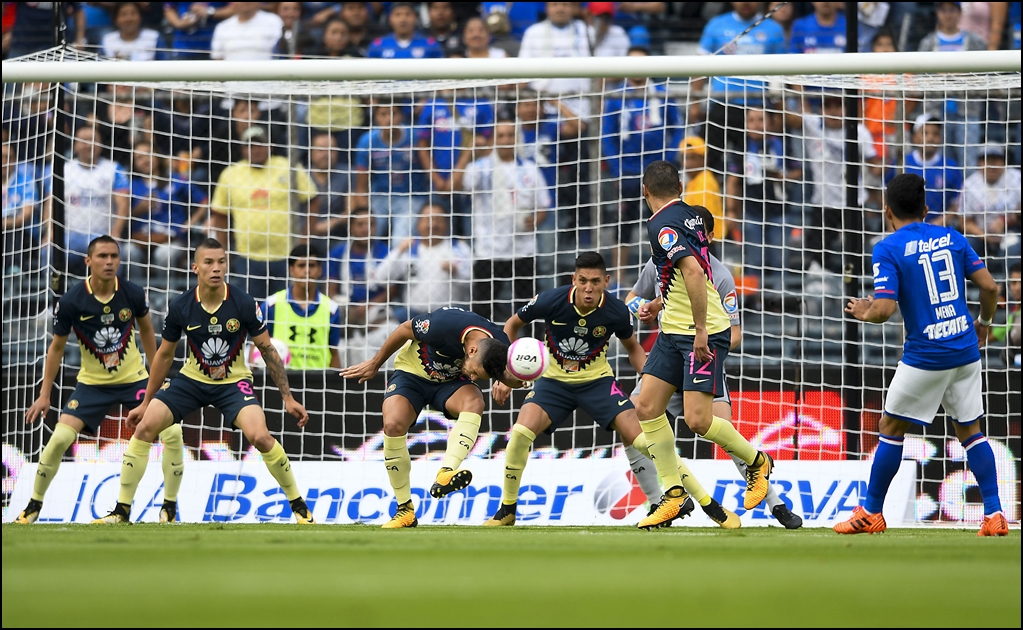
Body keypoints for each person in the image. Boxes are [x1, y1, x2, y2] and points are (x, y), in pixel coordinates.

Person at [485, 252, 740, 529]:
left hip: (598, 383)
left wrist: (657, 380)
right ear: (574, 279)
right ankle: (508, 510)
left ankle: (705, 503)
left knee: (647, 441)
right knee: (520, 435)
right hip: (553, 383)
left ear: (606, 281)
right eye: (582, 281)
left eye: (595, 281)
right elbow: (511, 325)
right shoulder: (551, 300)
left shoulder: (616, 311)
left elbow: (634, 350)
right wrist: (503, 374)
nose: (588, 288)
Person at [95, 238, 315, 524]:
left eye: (221, 262)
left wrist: (287, 398)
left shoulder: (244, 302)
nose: (216, 268)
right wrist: (146, 402)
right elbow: (163, 356)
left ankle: (299, 506)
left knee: (260, 436)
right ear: (195, 267)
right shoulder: (182, 306)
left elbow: (268, 350)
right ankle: (122, 510)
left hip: (233, 382)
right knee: (146, 426)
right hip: (191, 380)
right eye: (209, 263)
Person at [834, 173, 1007, 537]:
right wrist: (985, 324)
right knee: (971, 431)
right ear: (926, 209)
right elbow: (990, 287)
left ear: (886, 211)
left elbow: (883, 310)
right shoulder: (953, 237)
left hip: (926, 355)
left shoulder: (888, 247)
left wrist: (866, 311)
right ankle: (994, 513)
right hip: (964, 349)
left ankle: (870, 512)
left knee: (890, 428)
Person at [624, 207, 803, 529]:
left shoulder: (719, 276)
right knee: (634, 418)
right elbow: (632, 298)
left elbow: (734, 335)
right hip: (668, 352)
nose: (695, 237)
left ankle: (776, 504)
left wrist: (704, 342)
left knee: (717, 425)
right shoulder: (659, 261)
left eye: (701, 232)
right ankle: (661, 501)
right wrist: (644, 309)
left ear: (707, 236)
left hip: (700, 356)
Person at [15, 236, 185, 524]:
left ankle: (169, 506)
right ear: (88, 261)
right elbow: (56, 348)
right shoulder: (72, 300)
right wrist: (45, 395)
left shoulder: (131, 292)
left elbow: (147, 331)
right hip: (92, 384)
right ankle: (34, 505)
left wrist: (153, 377)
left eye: (114, 257)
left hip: (134, 380)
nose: (109, 262)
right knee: (58, 440)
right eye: (103, 256)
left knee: (173, 434)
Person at [340, 306, 522, 528]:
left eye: (478, 376)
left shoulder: (500, 344)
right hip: (413, 374)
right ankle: (404, 510)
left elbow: (510, 374)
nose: (473, 376)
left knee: (475, 401)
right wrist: (375, 363)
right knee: (393, 424)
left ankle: (446, 472)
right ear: (472, 350)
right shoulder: (443, 325)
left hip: (451, 383)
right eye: (474, 371)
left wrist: (514, 380)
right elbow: (404, 329)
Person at [600, 45, 683, 287]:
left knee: (659, 225)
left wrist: (667, 162)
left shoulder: (662, 94)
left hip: (657, 175)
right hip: (627, 173)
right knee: (622, 226)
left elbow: (677, 129)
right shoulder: (616, 97)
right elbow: (607, 136)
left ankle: (662, 276)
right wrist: (616, 168)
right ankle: (617, 279)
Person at [452, 121, 551, 323]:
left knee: (529, 308)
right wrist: (466, 153)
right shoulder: (480, 167)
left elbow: (544, 204)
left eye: (510, 135)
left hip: (523, 249)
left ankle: (530, 346)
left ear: (516, 138)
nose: (506, 140)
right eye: (501, 135)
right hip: (489, 251)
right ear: (494, 140)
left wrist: (535, 221)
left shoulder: (530, 168)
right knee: (482, 307)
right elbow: (455, 186)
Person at [209, 125, 319, 301]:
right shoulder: (231, 174)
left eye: (260, 144)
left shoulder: (287, 166)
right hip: (247, 256)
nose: (255, 150)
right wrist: (223, 251)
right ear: (243, 149)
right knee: (252, 312)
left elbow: (312, 199)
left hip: (286, 254)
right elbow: (220, 213)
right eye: (250, 145)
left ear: (270, 146)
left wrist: (306, 239)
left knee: (286, 309)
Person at [370, 202, 472, 319]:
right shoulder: (408, 249)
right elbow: (381, 279)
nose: (433, 224)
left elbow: (473, 283)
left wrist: (456, 272)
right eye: (427, 219)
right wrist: (398, 251)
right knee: (386, 322)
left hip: (451, 314)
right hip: (413, 315)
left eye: (438, 219)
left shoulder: (458, 248)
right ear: (418, 224)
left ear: (447, 223)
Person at [918, 1, 987, 170]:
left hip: (968, 112)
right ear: (937, 12)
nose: (948, 14)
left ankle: (966, 198)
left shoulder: (975, 42)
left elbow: (985, 76)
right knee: (941, 164)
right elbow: (919, 79)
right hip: (936, 115)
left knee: (969, 165)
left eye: (952, 10)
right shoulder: (927, 43)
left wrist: (960, 76)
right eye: (943, 10)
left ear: (959, 12)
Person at [63, 125, 131, 277]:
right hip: (69, 235)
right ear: (75, 145)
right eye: (84, 140)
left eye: (94, 140)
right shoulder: (64, 169)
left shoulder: (114, 169)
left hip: (102, 235)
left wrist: (116, 233)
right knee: (47, 251)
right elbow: (51, 204)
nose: (89, 144)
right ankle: (52, 297)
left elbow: (123, 205)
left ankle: (110, 299)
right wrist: (51, 233)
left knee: (116, 253)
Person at [263, 243, 342, 370]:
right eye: (301, 265)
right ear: (291, 269)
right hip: (281, 381)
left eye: (311, 265)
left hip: (318, 382)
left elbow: (334, 352)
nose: (307, 270)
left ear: (320, 270)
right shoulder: (272, 304)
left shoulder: (331, 309)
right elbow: (257, 345)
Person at [518, 2, 594, 120]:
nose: (560, 8)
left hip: (581, 106)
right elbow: (521, 74)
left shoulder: (587, 31)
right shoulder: (533, 33)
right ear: (547, 8)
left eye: (565, 4)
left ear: (573, 7)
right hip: (542, 109)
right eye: (555, 4)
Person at [958, 143, 1021, 267]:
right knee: (966, 245)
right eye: (986, 160)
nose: (991, 165)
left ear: (1004, 162)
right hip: (981, 235)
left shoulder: (1017, 178)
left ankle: (1010, 285)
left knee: (1012, 248)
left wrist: (1005, 221)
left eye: (996, 160)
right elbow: (964, 222)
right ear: (979, 163)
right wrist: (984, 235)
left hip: (1012, 230)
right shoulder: (970, 185)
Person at [678, 136, 725, 242]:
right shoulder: (694, 180)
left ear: (704, 159)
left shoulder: (705, 183)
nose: (688, 163)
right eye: (685, 158)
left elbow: (703, 219)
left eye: (693, 158)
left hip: (706, 240)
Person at [209, 2, 284, 61]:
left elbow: (281, 51)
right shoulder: (222, 27)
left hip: (267, 79)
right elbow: (218, 59)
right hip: (231, 79)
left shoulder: (274, 21)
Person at [367, 2, 444, 59]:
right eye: (397, 14)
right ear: (390, 19)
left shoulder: (430, 44)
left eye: (408, 14)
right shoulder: (378, 45)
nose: (403, 19)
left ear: (416, 18)